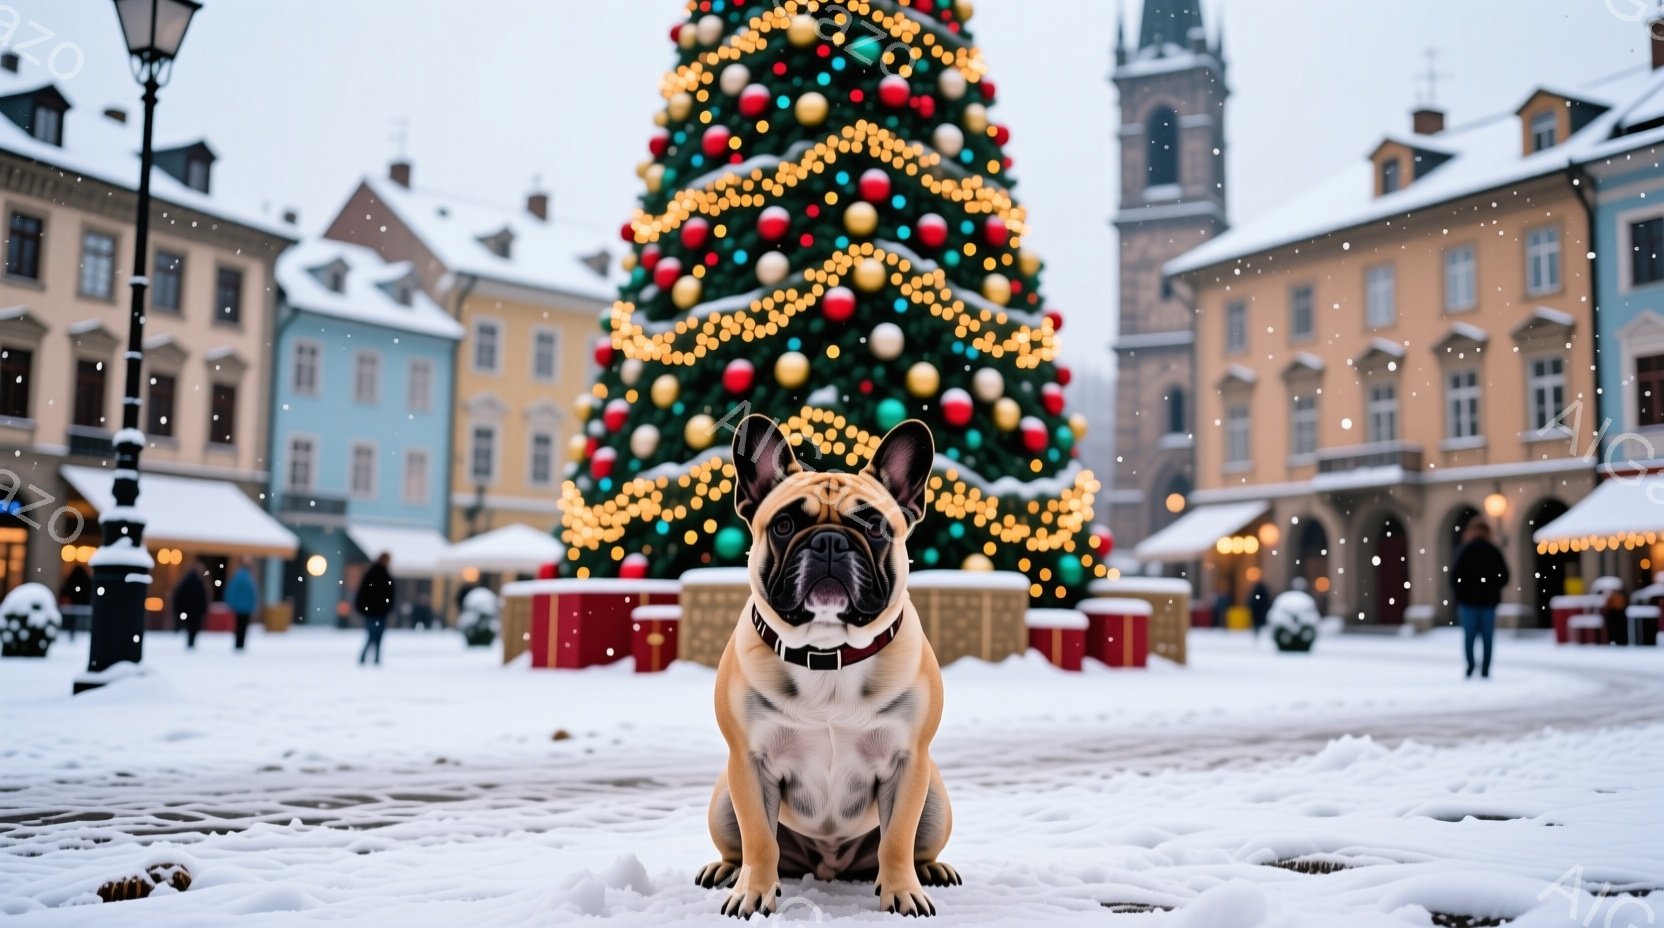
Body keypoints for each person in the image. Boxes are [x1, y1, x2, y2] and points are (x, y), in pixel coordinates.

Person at [1451, 520, 1510, 678]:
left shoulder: (1465, 551)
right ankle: (1482, 669)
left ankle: (1474, 667)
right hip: (1484, 602)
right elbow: (1504, 576)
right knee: (1485, 638)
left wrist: (1463, 593)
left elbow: (1455, 577)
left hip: (1473, 602)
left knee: (1472, 637)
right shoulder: (1492, 551)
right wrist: (1491, 588)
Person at [356, 552, 396, 665]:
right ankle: (369, 658)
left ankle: (370, 658)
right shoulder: (380, 574)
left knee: (374, 635)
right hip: (377, 612)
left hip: (375, 611)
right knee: (374, 635)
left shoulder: (373, 573)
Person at [171, 559, 210, 649]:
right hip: (194, 610)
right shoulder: (196, 581)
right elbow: (201, 597)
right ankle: (190, 643)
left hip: (190, 609)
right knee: (193, 627)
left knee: (191, 627)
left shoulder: (188, 580)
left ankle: (190, 643)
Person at [224, 557, 259, 652]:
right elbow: (252, 594)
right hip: (245, 608)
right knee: (242, 627)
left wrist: (231, 603)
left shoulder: (239, 576)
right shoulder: (247, 578)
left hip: (239, 607)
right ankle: (240, 644)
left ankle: (239, 644)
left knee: (239, 626)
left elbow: (231, 591)